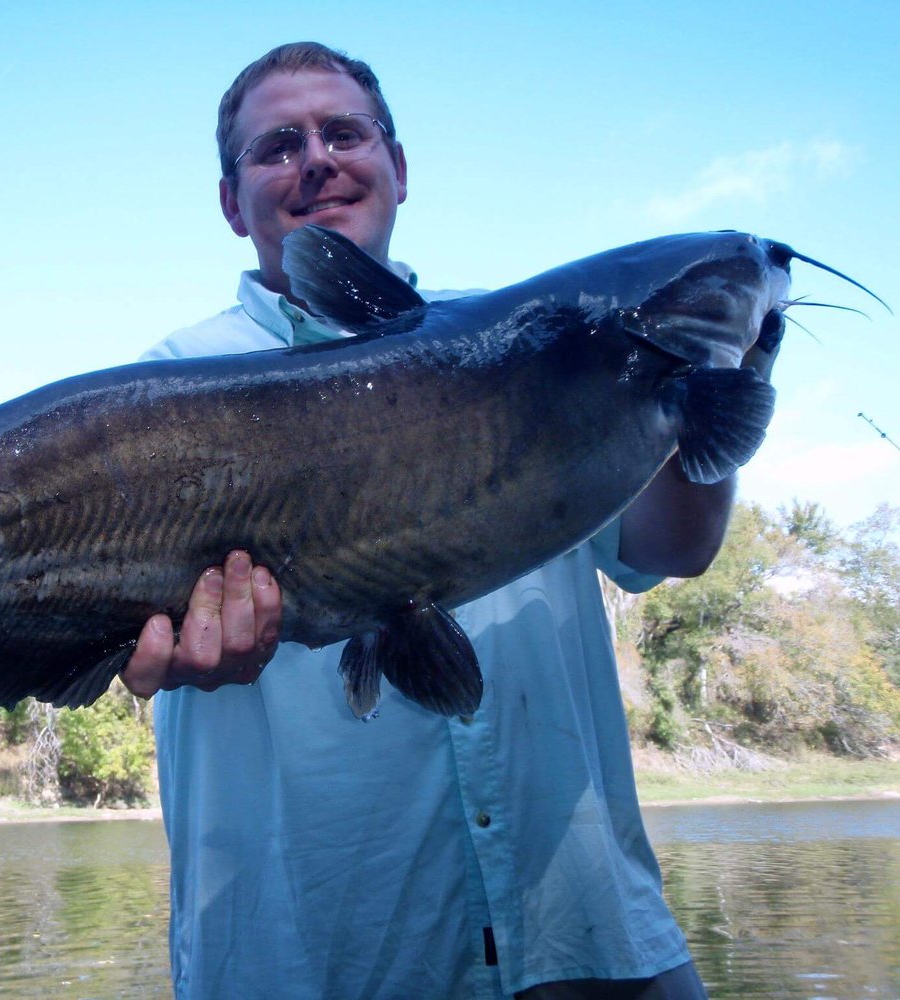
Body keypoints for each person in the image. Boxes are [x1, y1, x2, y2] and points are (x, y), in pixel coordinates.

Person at [120, 41, 776, 1000]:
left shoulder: (547, 346)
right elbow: (113, 636)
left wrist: (730, 370)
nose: (317, 160)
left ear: (397, 166)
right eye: (277, 146)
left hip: (584, 936)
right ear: (231, 202)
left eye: (345, 132)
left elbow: (672, 547)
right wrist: (142, 645)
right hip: (315, 957)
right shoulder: (164, 392)